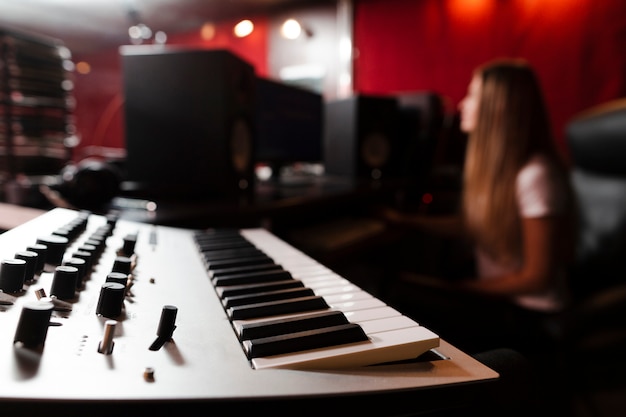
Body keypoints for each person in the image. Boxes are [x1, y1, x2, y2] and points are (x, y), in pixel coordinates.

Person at [378, 58, 577, 357]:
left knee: (401, 300)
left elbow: (537, 277)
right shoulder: (505, 172)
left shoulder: (536, 176)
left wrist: (465, 288)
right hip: (503, 301)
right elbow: (474, 224)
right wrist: (408, 221)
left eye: (473, 95)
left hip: (531, 316)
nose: (462, 104)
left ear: (497, 109)